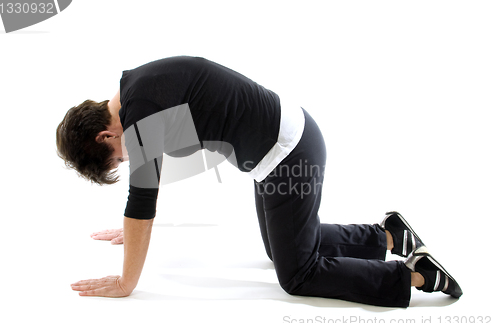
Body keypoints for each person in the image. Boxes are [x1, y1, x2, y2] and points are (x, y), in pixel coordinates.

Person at [56, 56, 462, 308]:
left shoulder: (140, 114)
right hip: (279, 154)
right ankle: (389, 236)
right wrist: (133, 229)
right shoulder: (134, 92)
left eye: (118, 157)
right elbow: (147, 193)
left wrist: (127, 282)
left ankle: (416, 275)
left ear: (105, 136)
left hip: (289, 152)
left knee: (298, 274)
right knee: (279, 248)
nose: (127, 159)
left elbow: (142, 200)